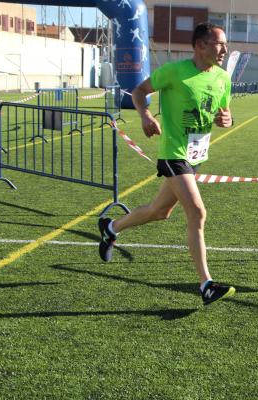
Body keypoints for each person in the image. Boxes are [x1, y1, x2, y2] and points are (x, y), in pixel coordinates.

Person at [97, 22, 235, 306]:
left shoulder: (222, 78)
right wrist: (145, 116)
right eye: (219, 43)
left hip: (195, 156)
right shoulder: (174, 71)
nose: (224, 49)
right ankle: (206, 284)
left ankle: (111, 228)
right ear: (200, 45)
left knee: (159, 212)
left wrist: (227, 120)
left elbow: (225, 113)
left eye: (225, 44)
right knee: (197, 212)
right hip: (173, 152)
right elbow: (138, 92)